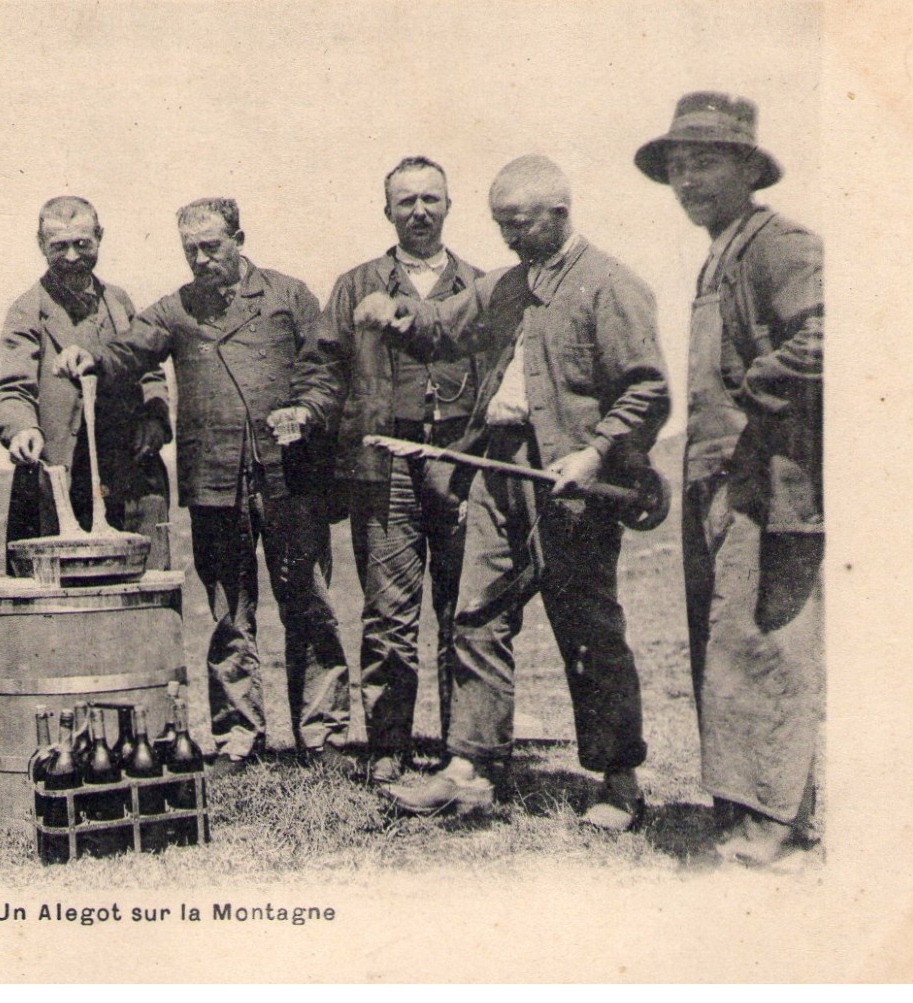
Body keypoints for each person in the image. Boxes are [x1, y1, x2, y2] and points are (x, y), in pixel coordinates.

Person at [356, 155, 670, 829]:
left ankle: (619, 783)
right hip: (500, 471)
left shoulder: (611, 286)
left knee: (586, 627)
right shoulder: (507, 286)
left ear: (558, 214)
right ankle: (469, 768)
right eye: (498, 223)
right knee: (476, 611)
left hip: (570, 480)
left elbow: (646, 390)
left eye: (517, 223)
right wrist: (399, 315)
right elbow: (445, 326)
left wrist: (594, 452)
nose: (505, 237)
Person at [55, 198, 351, 774]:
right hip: (214, 481)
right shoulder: (175, 307)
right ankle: (240, 736)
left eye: (211, 246)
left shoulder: (288, 296)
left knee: (309, 602)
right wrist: (86, 357)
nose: (199, 258)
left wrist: (309, 409)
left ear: (239, 237)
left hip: (290, 477)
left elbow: (326, 369)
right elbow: (127, 349)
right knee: (227, 613)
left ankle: (325, 735)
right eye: (189, 248)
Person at [635, 92, 823, 865]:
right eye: (678, 166)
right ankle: (741, 811)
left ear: (747, 167)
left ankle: (772, 829)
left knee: (764, 650)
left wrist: (759, 383)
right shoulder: (721, 252)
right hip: (713, 482)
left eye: (705, 162)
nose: (688, 181)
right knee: (723, 648)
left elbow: (829, 329)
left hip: (768, 486)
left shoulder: (781, 245)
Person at [275, 156, 496, 783]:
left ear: (450, 206)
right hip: (382, 466)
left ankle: (464, 748)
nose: (420, 212)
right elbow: (323, 367)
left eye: (431, 200)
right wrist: (307, 410)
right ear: (388, 212)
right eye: (407, 202)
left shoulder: (479, 287)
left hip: (458, 466)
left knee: (465, 611)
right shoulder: (355, 285)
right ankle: (389, 745)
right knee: (390, 612)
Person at [0, 197, 171, 557]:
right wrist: (22, 429)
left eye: (82, 243)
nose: (71, 256)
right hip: (60, 481)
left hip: (128, 477)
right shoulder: (27, 311)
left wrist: (155, 417)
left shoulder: (119, 302)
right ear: (40, 244)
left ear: (100, 237)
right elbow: (11, 389)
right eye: (59, 246)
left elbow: (148, 368)